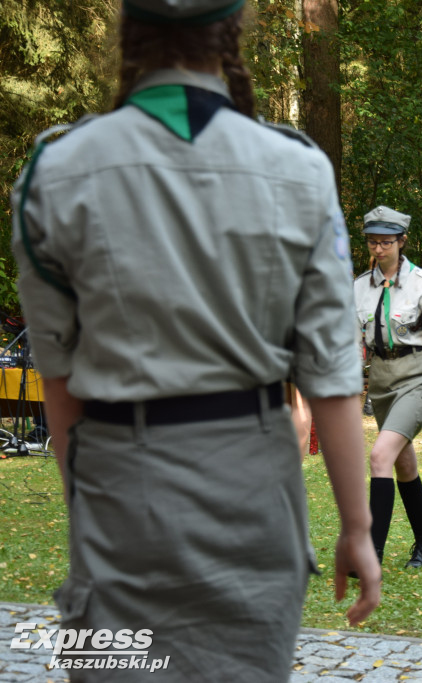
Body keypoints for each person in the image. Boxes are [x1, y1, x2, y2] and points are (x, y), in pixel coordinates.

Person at [11, 2, 380, 678]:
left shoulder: (57, 169)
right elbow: (330, 370)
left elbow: (57, 374)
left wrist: (86, 508)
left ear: (131, 30)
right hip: (253, 494)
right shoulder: (297, 168)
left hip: (122, 492)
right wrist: (357, 527)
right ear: (232, 30)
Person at [354, 206, 422, 571]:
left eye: (386, 242)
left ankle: (371, 554)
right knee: (402, 462)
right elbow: (357, 345)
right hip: (382, 381)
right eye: (373, 242)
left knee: (379, 456)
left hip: (417, 378)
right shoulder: (359, 286)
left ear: (402, 241)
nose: (379, 248)